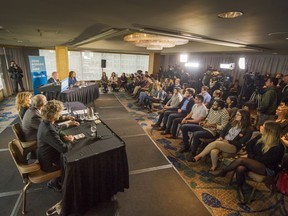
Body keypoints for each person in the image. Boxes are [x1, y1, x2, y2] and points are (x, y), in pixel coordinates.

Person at [211, 121, 285, 204]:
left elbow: (266, 160)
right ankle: (240, 189)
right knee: (240, 168)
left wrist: (251, 157)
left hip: (268, 168)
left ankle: (223, 171)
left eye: (263, 127)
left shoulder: (278, 147)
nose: (261, 127)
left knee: (242, 160)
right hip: (254, 162)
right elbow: (249, 146)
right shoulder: (260, 137)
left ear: (269, 131)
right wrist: (252, 157)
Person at [37, 100, 77, 192]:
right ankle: (55, 182)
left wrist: (64, 136)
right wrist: (70, 140)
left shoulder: (46, 122)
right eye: (59, 112)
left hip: (47, 154)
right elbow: (64, 149)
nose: (60, 114)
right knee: (72, 162)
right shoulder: (48, 129)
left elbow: (57, 129)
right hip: (48, 162)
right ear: (54, 114)